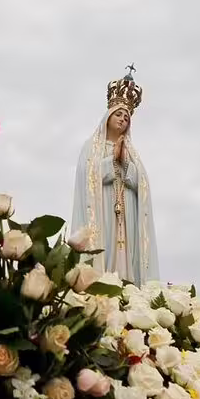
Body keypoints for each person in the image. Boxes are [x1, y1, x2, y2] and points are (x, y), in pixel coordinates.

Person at [70, 65, 159, 285]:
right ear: (108, 116)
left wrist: (125, 162)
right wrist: (112, 161)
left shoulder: (132, 153)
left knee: (125, 250)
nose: (122, 120)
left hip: (126, 210)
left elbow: (142, 184)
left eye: (127, 118)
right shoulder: (92, 147)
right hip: (102, 209)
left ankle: (130, 285)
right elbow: (87, 178)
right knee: (105, 247)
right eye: (118, 114)